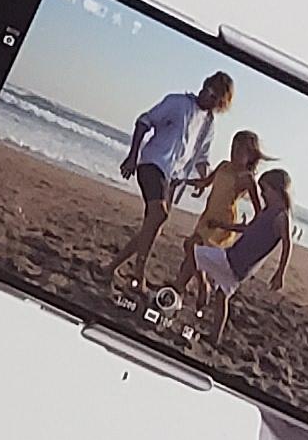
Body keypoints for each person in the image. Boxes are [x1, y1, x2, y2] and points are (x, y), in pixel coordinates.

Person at [109, 69, 235, 293]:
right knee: (159, 214)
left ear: (220, 104)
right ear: (204, 85)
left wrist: (204, 179)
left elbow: (201, 157)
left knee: (152, 227)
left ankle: (111, 268)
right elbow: (144, 121)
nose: (209, 97)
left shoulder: (208, 124)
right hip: (152, 163)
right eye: (209, 91)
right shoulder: (177, 103)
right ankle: (138, 274)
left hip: (173, 179)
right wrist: (132, 155)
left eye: (215, 98)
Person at [189, 166, 294, 346]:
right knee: (222, 296)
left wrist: (280, 272)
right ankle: (215, 337)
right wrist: (223, 225)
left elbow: (287, 243)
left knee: (190, 247)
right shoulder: (267, 212)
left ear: (276, 190)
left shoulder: (281, 216)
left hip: (234, 260)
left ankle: (202, 285)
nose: (262, 195)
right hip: (240, 266)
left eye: (265, 190)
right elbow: (247, 228)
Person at [168, 130, 263, 292]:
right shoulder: (224, 165)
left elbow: (259, 213)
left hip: (222, 223)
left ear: (251, 156)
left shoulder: (247, 178)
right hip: (208, 216)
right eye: (233, 148)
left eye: (240, 151)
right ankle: (181, 288)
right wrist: (184, 181)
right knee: (193, 255)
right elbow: (205, 182)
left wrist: (240, 227)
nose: (234, 153)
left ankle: (201, 284)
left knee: (192, 246)